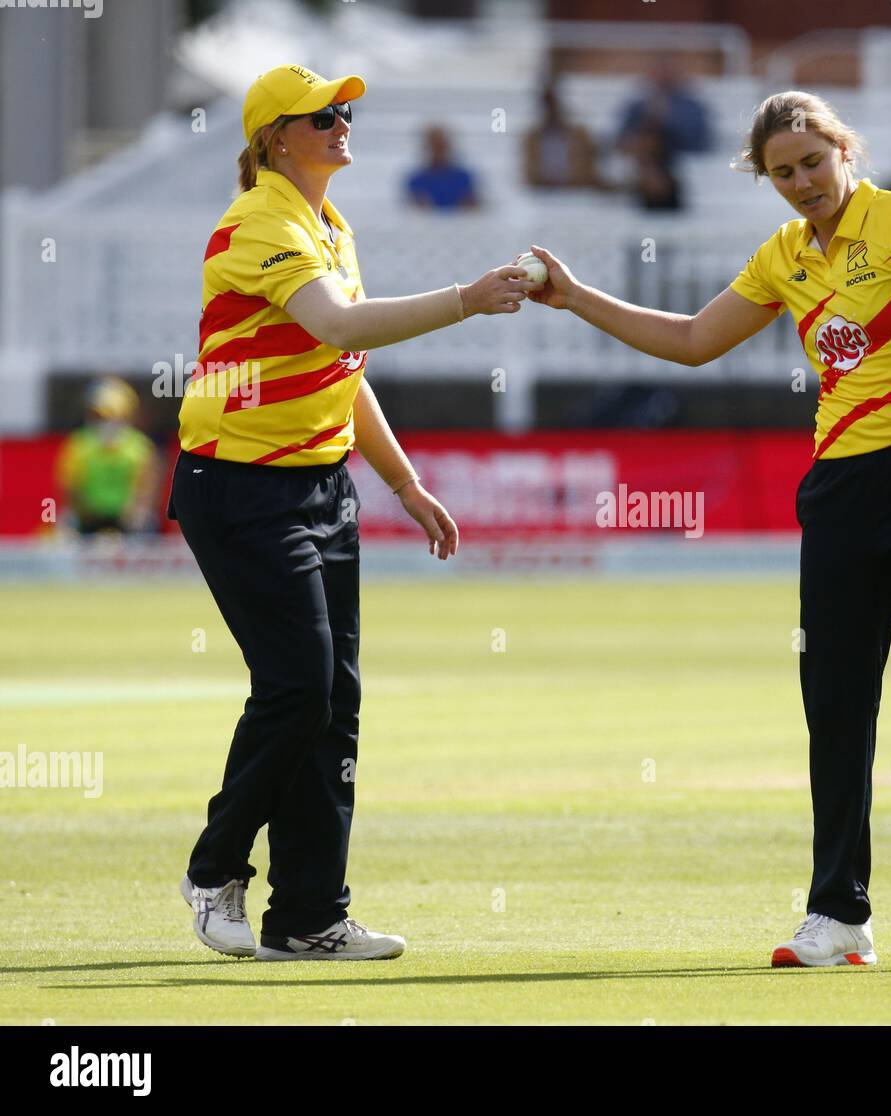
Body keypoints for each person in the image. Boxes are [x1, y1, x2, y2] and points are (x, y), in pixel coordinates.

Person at [522, 91, 891, 967]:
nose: (802, 183)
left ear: (843, 150)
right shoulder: (783, 256)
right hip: (840, 489)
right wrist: (575, 298)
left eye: (813, 162)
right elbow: (690, 341)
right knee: (834, 703)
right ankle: (839, 917)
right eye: (783, 172)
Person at [167, 64, 535, 962]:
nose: (341, 123)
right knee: (297, 686)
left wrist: (405, 486)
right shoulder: (259, 221)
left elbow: (342, 372)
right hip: (241, 483)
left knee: (332, 699)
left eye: (343, 111)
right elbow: (340, 326)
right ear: (273, 141)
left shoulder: (330, 224)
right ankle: (215, 869)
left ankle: (309, 918)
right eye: (321, 115)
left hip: (317, 484)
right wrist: (465, 298)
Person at [56, 377, 160, 537]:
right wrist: (86, 513)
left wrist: (134, 513)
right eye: (97, 415)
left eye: (108, 415)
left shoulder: (140, 448)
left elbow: (147, 490)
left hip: (128, 521)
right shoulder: (79, 445)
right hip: (88, 518)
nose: (103, 421)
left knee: (145, 523)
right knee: (64, 525)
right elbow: (70, 489)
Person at [405, 126, 478, 210]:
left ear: (448, 147)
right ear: (426, 148)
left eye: (441, 146)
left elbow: (473, 208)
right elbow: (412, 210)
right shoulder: (416, 180)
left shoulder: (464, 178)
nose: (438, 151)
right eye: (434, 147)